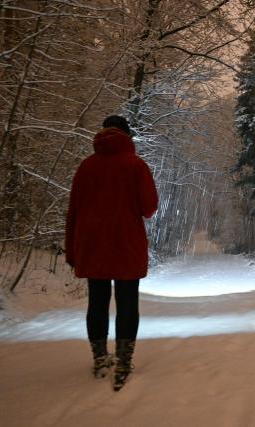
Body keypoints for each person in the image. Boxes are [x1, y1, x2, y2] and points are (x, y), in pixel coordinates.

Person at [65, 115, 158, 390]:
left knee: (97, 301)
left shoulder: (86, 167)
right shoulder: (135, 165)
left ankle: (100, 358)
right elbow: (149, 207)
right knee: (128, 302)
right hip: (125, 243)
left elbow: (73, 211)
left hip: (92, 244)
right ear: (127, 135)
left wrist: (72, 249)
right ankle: (124, 361)